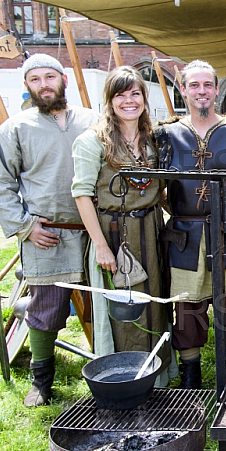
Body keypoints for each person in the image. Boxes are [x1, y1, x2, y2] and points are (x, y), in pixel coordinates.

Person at [0, 54, 99, 406]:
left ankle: (115, 370)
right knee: (46, 309)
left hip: (96, 230)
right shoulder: (15, 128)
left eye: (49, 77)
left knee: (107, 305)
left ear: (63, 78)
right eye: (35, 79)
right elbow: (1, 184)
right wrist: (25, 228)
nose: (43, 85)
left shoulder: (92, 120)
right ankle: (41, 382)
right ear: (27, 85)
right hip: (47, 233)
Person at [154, 60, 226, 388]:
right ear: (183, 90)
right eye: (194, 85)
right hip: (185, 238)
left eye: (207, 85)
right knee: (187, 308)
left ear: (216, 90)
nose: (201, 91)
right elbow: (157, 189)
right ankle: (191, 384)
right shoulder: (166, 135)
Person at [71, 66, 174, 386]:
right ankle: (118, 380)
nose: (129, 101)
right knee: (119, 311)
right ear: (110, 100)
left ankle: (156, 380)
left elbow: (159, 192)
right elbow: (82, 194)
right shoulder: (93, 141)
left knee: (154, 308)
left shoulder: (153, 141)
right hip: (113, 235)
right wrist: (101, 245)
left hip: (150, 234)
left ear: (144, 97)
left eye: (135, 93)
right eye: (121, 95)